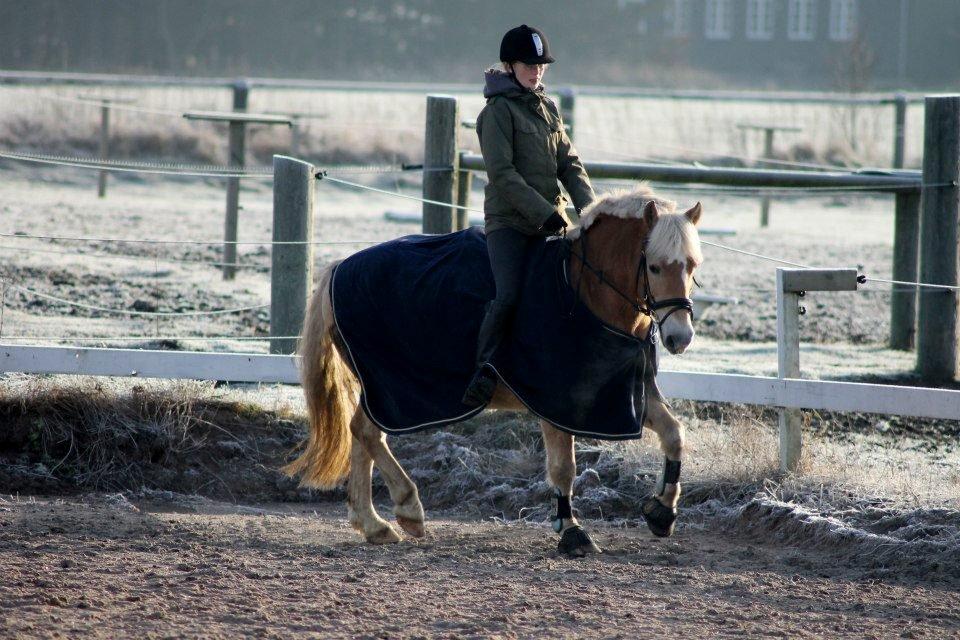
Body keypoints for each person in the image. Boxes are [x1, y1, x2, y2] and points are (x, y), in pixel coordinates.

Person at [462, 24, 597, 407]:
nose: (536, 71)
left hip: (552, 221)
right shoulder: (496, 113)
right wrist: (546, 215)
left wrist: (590, 211)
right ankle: (484, 370)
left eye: (541, 65)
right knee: (508, 294)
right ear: (510, 65)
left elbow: (570, 163)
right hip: (510, 224)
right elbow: (503, 176)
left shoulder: (547, 108)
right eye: (528, 64)